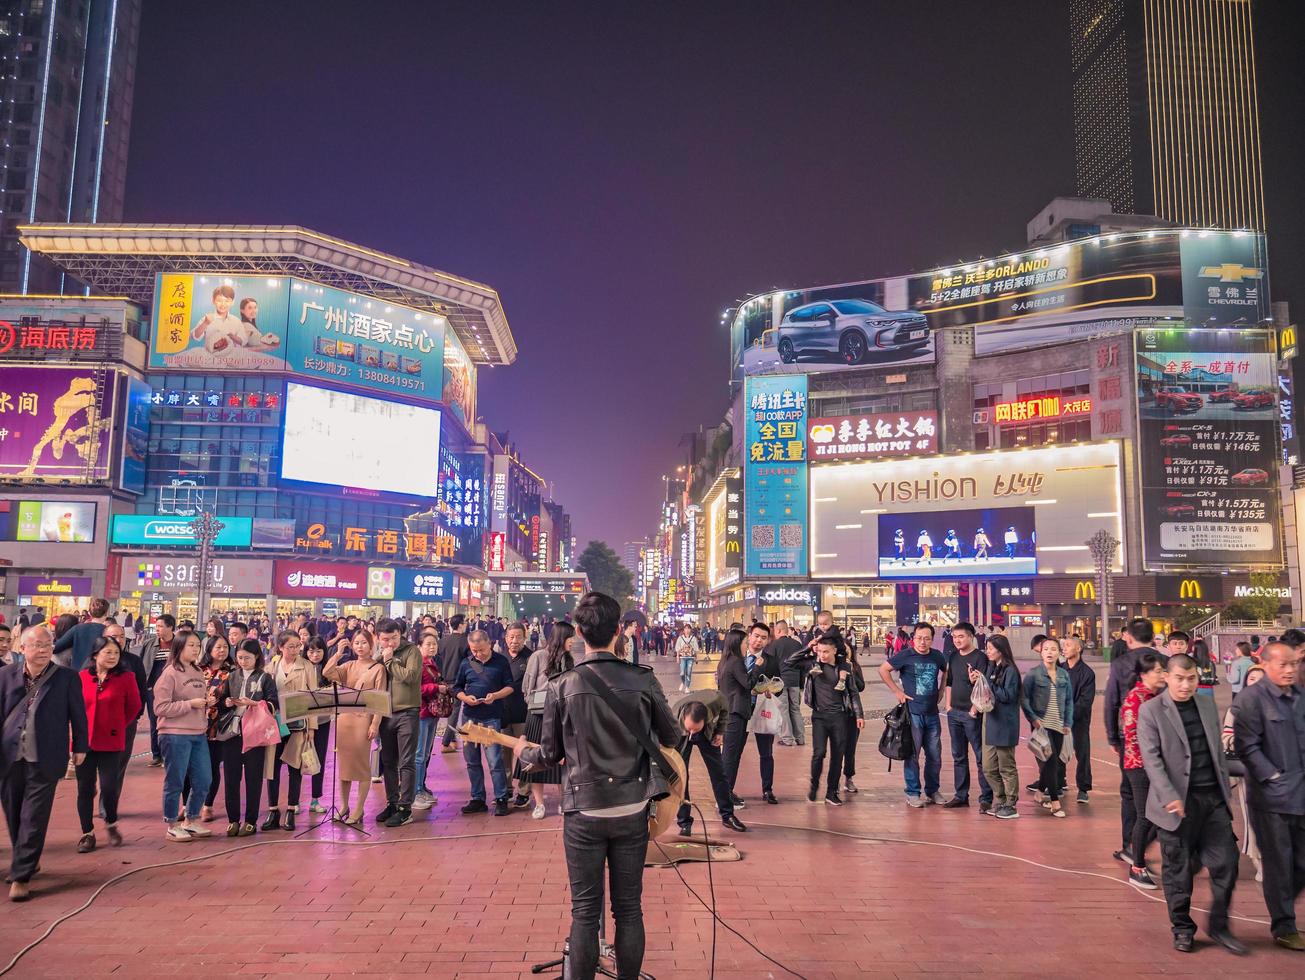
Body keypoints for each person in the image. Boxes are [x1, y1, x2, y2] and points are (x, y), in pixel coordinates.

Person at [515, 591, 679, 980]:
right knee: (629, 909)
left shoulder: (563, 684)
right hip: (632, 807)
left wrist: (524, 752)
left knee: (585, 912)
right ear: (619, 631)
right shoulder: (643, 679)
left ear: (577, 633)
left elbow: (551, 754)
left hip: (584, 809)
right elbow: (670, 735)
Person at [1138, 654, 1248, 955]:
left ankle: (1219, 924)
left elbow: (1215, 752)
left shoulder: (1206, 704)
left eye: (1191, 679)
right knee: (1178, 871)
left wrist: (1227, 784)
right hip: (1175, 805)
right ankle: (1182, 928)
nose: (1186, 685)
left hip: (1212, 800)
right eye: (1179, 678)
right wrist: (1169, 794)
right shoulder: (1151, 711)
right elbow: (1152, 759)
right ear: (1167, 678)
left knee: (1227, 862)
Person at [0, 626, 88, 900]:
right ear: (22, 648)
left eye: (47, 645)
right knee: (14, 813)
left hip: (46, 754)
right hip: (9, 755)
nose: (42, 650)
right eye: (36, 645)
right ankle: (25, 857)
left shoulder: (66, 678)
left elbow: (78, 714)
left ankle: (22, 876)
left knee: (34, 816)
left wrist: (80, 746)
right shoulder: (4, 676)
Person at [1232, 640, 1305, 952]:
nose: (1290, 670)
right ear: (1266, 665)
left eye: (1294, 664)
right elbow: (1246, 746)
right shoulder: (1252, 699)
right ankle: (1284, 925)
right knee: (1278, 863)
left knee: (1301, 863)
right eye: (1283, 665)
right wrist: (1272, 777)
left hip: (1301, 795)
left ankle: (1283, 904)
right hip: (1271, 800)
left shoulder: (1301, 697)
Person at [1105, 618, 1165, 861]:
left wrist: (1112, 736)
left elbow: (1111, 701)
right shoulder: (1164, 661)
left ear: (1128, 638)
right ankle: (1138, 846)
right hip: (1161, 736)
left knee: (1130, 794)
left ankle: (1130, 844)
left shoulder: (1120, 664)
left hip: (1127, 736)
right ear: (1153, 636)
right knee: (1158, 791)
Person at [75, 635, 141, 852]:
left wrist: (118, 724)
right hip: (84, 742)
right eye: (108, 652)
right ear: (95, 655)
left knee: (109, 787)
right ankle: (87, 833)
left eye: (116, 652)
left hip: (112, 740)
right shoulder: (82, 677)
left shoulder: (126, 678)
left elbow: (134, 707)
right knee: (85, 788)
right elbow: (74, 710)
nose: (113, 656)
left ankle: (111, 822)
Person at [786, 634, 864, 806]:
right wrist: (808, 647)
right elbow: (789, 662)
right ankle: (814, 786)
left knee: (837, 756)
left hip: (840, 718)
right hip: (819, 717)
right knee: (819, 753)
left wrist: (859, 715)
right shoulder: (813, 665)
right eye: (820, 651)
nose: (822, 655)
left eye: (826, 652)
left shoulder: (844, 668)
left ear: (835, 651)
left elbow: (853, 692)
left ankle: (831, 792)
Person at [152, 632, 214, 843]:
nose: (196, 649)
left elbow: (197, 699)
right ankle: (172, 824)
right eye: (191, 646)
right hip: (174, 734)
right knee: (175, 781)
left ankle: (191, 819)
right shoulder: (169, 673)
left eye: (198, 645)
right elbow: (160, 707)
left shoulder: (197, 671)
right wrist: (190, 704)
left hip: (198, 733)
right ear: (179, 647)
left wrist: (206, 702)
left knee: (204, 779)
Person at [879, 622, 948, 807]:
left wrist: (941, 690)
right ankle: (912, 793)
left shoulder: (937, 656)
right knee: (913, 755)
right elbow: (883, 669)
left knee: (935, 756)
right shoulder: (905, 655)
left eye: (927, 638)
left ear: (932, 640)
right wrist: (897, 692)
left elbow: (946, 670)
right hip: (912, 715)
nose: (922, 642)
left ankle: (933, 791)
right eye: (919, 638)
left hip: (932, 714)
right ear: (913, 639)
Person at [323, 631, 388, 825]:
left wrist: (375, 723)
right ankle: (344, 806)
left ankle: (359, 808)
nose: (360, 647)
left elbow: (380, 698)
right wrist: (337, 653)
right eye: (356, 643)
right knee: (344, 766)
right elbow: (327, 673)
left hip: (364, 720)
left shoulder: (378, 669)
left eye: (364, 643)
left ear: (371, 645)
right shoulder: (348, 666)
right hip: (344, 719)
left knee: (360, 766)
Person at [214, 641, 277, 836]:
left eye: (247, 658)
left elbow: (274, 704)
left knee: (253, 778)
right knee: (231, 778)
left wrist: (255, 703)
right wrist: (225, 701)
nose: (243, 661)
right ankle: (233, 820)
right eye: (240, 658)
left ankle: (250, 820)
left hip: (255, 734)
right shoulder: (231, 676)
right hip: (233, 733)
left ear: (257, 656)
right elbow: (221, 702)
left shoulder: (265, 678)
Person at [452, 629, 515, 816]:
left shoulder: (501, 662)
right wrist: (465, 698)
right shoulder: (466, 663)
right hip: (469, 717)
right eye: (474, 650)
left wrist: (495, 696)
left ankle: (501, 797)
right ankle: (477, 798)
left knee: (495, 760)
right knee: (472, 760)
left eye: (481, 650)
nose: (477, 654)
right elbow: (456, 687)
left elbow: (510, 686)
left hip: (491, 717)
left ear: (489, 643)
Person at [1118, 651, 1167, 886]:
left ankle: (1134, 850)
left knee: (1156, 816)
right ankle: (1137, 867)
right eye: (1158, 671)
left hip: (1153, 764)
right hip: (1139, 765)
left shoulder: (1155, 696)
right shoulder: (1136, 698)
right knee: (1146, 816)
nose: (1162, 675)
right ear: (1144, 674)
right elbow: (1133, 735)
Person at [519, 622, 574, 820]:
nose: (573, 641)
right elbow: (527, 686)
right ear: (561, 638)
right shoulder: (538, 656)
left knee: (562, 760)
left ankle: (563, 801)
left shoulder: (569, 660)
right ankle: (539, 804)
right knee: (536, 758)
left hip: (560, 716)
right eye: (570, 638)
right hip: (537, 715)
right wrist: (536, 702)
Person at [263, 631, 318, 832]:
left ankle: (291, 809)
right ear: (280, 647)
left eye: (297, 646)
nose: (294, 650)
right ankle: (273, 810)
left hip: (298, 724)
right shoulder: (271, 667)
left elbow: (313, 698)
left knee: (295, 767)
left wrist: (312, 727)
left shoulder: (307, 667)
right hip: (274, 724)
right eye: (290, 646)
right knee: (272, 768)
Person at [674, 688, 745, 834]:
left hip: (707, 734)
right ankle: (684, 822)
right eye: (690, 729)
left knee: (719, 773)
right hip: (680, 735)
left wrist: (719, 732)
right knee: (681, 777)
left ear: (705, 719)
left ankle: (728, 815)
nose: (692, 734)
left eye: (695, 729)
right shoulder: (674, 715)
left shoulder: (716, 700)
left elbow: (725, 709)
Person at [373, 619, 421, 827]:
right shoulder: (379, 654)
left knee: (406, 762)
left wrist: (391, 661)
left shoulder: (412, 652)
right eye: (385, 639)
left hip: (407, 712)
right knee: (388, 761)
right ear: (378, 638)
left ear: (400, 634)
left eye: (394, 638)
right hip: (385, 714)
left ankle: (405, 808)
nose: (390, 643)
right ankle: (392, 802)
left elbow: (410, 678)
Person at [1222, 663, 1266, 883]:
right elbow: (1226, 739)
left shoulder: (1283, 704)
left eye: (1261, 678)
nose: (1256, 683)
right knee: (1254, 819)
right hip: (1250, 773)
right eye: (1252, 679)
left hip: (1281, 776)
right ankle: (1260, 862)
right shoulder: (1237, 708)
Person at [941, 622, 992, 812]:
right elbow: (950, 682)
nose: (957, 640)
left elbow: (983, 686)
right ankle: (961, 795)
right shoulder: (953, 656)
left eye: (961, 636)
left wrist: (974, 710)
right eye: (954, 637)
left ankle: (986, 798)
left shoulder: (980, 658)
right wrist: (948, 706)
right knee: (958, 756)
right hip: (954, 714)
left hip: (972, 715)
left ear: (971, 637)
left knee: (980, 757)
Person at [1022, 636, 1073, 818]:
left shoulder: (1063, 674)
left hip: (1059, 725)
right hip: (1041, 725)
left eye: (1053, 649)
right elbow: (1024, 698)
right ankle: (1054, 803)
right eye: (1046, 649)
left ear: (1059, 652)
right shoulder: (1033, 674)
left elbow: (1068, 701)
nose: (1050, 652)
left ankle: (1038, 792)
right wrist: (1033, 719)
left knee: (1053, 763)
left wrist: (1067, 723)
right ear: (1040, 652)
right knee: (1050, 761)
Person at [715, 627, 759, 808]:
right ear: (736, 644)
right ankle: (724, 797)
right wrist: (757, 667)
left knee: (731, 755)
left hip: (730, 712)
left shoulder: (725, 661)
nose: (747, 644)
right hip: (735, 713)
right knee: (730, 757)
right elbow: (748, 684)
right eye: (745, 642)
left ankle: (727, 791)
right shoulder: (736, 662)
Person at [980, 635, 1022, 819]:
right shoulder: (992, 667)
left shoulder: (1011, 671)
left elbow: (1008, 696)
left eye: (990, 648)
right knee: (988, 767)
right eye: (987, 648)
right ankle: (1001, 799)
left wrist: (988, 684)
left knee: (1007, 766)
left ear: (1000, 649)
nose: (987, 651)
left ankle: (1011, 804)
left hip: (1005, 723)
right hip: (991, 721)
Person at [195, 636, 233, 823]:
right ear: (209, 649)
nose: (222, 650)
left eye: (225, 647)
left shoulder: (233, 672)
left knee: (212, 766)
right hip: (195, 723)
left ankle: (208, 805)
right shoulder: (198, 670)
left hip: (219, 726)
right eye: (218, 647)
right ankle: (188, 805)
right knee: (192, 766)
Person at [742, 622, 781, 804]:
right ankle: (727, 790)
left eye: (763, 638)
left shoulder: (771, 661)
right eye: (756, 636)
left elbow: (779, 685)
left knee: (766, 753)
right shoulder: (738, 656)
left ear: (767, 641)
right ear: (749, 635)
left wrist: (772, 690)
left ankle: (767, 789)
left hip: (761, 709)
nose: (759, 640)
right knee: (733, 753)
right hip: (740, 711)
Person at [413, 631, 448, 811]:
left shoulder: (433, 662)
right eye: (428, 644)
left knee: (426, 754)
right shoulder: (418, 663)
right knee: (419, 755)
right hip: (421, 713)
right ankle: (415, 791)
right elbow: (415, 688)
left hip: (431, 713)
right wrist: (436, 688)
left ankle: (421, 786)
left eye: (434, 644)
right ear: (419, 646)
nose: (432, 647)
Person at [500, 624, 533, 808]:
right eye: (511, 637)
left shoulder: (531, 658)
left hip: (523, 714)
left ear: (524, 637)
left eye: (518, 637)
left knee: (525, 755)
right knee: (503, 756)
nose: (514, 641)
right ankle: (505, 789)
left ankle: (524, 791)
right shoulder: (500, 658)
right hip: (503, 714)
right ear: (506, 638)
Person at [1062, 636, 1096, 804]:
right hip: (1059, 720)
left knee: (1082, 753)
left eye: (1068, 645)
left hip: (1079, 720)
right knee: (1058, 752)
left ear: (1078, 649)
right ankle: (1059, 783)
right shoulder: (1059, 669)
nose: (1064, 648)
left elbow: (1085, 701)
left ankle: (1083, 788)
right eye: (1064, 646)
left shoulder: (1087, 673)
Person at [304, 637, 332, 814]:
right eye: (311, 651)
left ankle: (315, 799)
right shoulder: (300, 669)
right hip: (302, 722)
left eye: (318, 651)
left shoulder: (328, 670)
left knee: (318, 759)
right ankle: (294, 800)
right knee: (299, 759)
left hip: (323, 721)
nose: (315, 655)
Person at [438, 615, 470, 751]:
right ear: (461, 625)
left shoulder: (443, 641)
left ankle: (451, 740)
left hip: (444, 681)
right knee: (455, 711)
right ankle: (445, 742)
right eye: (465, 622)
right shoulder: (466, 642)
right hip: (458, 682)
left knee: (451, 710)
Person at [771, 621, 806, 747]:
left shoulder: (774, 645)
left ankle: (787, 738)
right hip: (795, 681)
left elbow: (771, 665)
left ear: (779, 631)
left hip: (780, 682)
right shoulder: (797, 644)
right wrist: (801, 683)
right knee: (795, 709)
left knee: (783, 710)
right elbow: (803, 665)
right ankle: (800, 738)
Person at [52, 597, 110, 672]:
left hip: (77, 674)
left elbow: (56, 647)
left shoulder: (77, 628)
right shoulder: (109, 631)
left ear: (89, 612)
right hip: (99, 673)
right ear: (106, 613)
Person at [674, 624, 699, 694]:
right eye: (685, 629)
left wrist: (696, 658)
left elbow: (695, 648)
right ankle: (683, 682)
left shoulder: (693, 638)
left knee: (688, 672)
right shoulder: (680, 638)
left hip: (690, 658)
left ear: (691, 630)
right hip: (682, 658)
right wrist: (677, 657)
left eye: (688, 629)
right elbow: (677, 648)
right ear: (683, 630)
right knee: (682, 673)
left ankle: (687, 687)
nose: (687, 630)